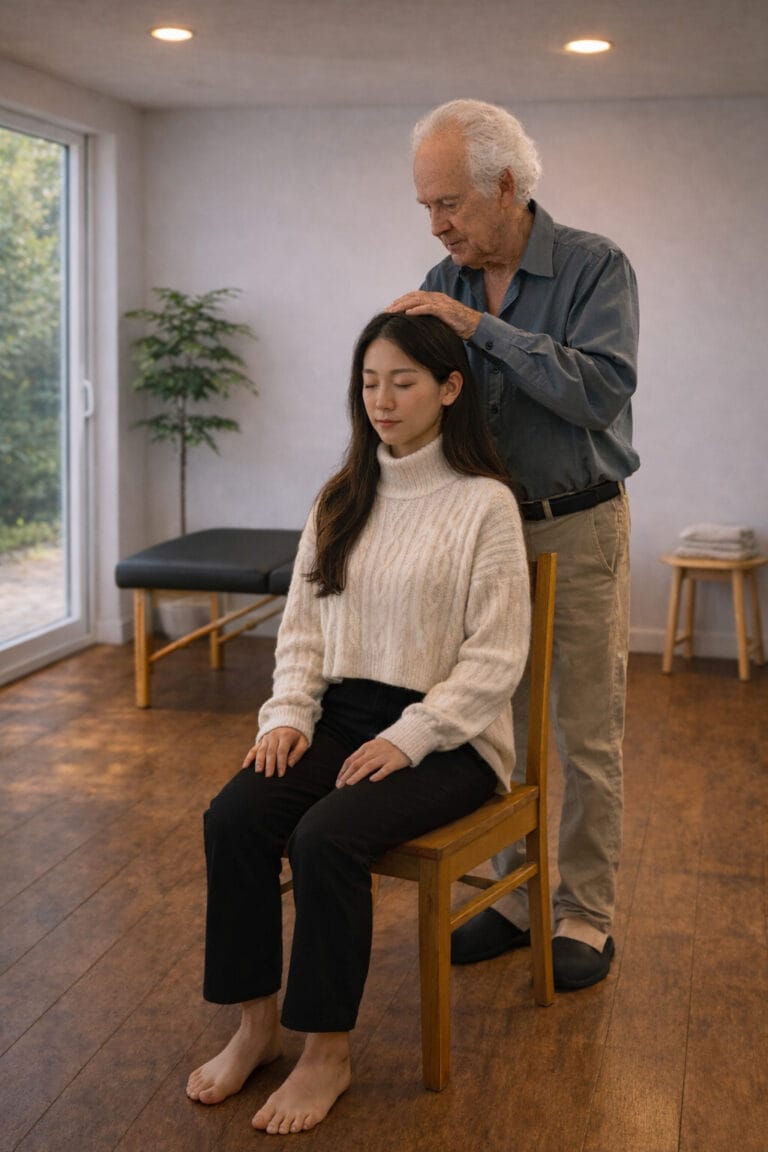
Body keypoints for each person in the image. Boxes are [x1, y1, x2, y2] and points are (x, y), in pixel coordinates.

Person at [185, 310, 531, 1134]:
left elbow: (495, 660)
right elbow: (303, 631)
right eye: (370, 382)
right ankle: (256, 1027)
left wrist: (409, 734)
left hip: (449, 738)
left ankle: (326, 1052)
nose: (382, 398)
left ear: (450, 389)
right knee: (235, 815)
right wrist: (288, 715)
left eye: (403, 381)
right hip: (340, 715)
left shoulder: (484, 504)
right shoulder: (342, 497)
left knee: (326, 837)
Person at [389, 98, 639, 991]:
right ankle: (511, 896)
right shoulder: (441, 275)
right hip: (485, 535)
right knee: (492, 722)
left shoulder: (593, 266)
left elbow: (598, 392)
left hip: (577, 524)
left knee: (583, 731)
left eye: (448, 202)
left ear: (505, 186)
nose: (438, 224)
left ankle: (583, 913)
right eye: (426, 207)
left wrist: (478, 330)